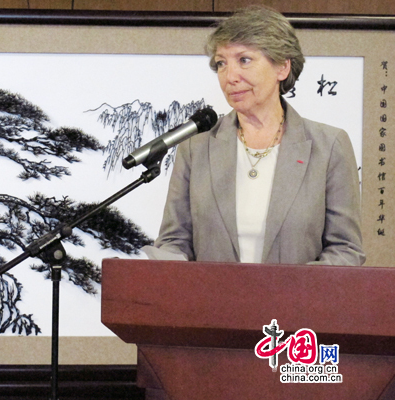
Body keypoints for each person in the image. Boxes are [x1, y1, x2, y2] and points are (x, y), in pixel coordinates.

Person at [149, 5, 365, 266]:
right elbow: (174, 241)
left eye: (244, 60)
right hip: (211, 305)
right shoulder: (196, 148)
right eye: (221, 63)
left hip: (295, 304)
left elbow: (345, 249)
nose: (230, 77)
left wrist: (296, 293)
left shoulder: (329, 146)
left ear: (282, 68)